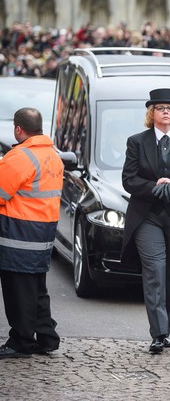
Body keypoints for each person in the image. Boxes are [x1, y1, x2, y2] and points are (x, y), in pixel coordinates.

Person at [121, 89, 170, 354]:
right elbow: (129, 179)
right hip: (147, 217)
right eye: (160, 108)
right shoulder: (137, 141)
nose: (165, 111)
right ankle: (159, 333)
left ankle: (165, 328)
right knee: (155, 271)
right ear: (151, 113)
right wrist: (153, 185)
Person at [0, 108, 63, 359]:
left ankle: (21, 342)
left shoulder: (19, 157)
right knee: (36, 290)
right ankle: (46, 337)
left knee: (18, 293)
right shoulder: (52, 156)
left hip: (18, 234)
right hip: (43, 233)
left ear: (18, 129)